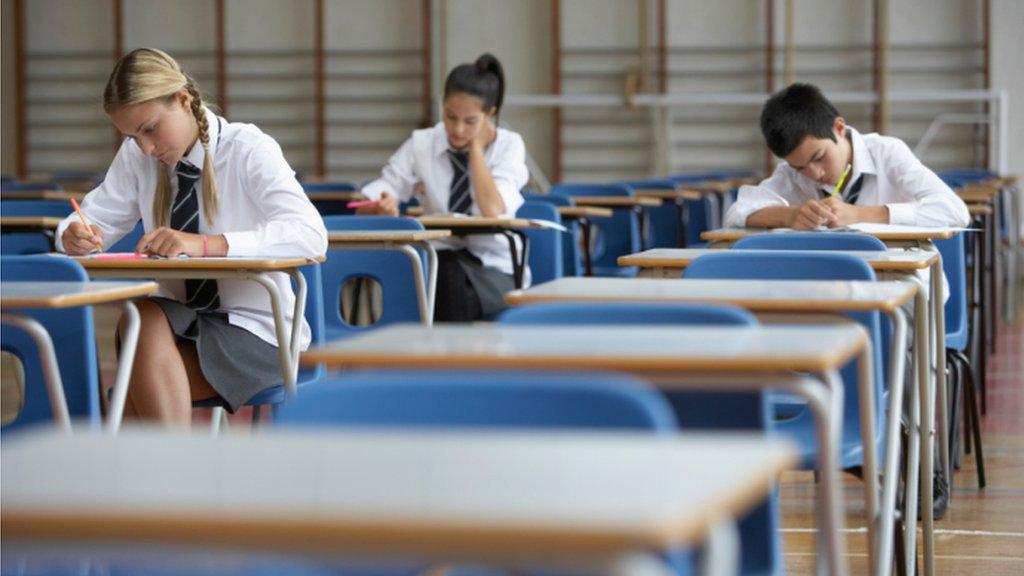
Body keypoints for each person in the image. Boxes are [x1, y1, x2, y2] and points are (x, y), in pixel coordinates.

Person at [56, 48, 327, 426]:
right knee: (142, 321)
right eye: (132, 136)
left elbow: (311, 235)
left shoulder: (247, 149)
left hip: (260, 335)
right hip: (179, 330)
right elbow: (91, 217)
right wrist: (73, 234)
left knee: (139, 353)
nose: (146, 148)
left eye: (150, 129)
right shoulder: (138, 157)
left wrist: (204, 245)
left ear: (183, 100)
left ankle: (160, 477)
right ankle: (173, 477)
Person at [356, 53, 529, 321]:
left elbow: (493, 210)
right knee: (433, 274)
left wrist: (476, 151)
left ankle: (444, 360)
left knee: (444, 280)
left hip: (495, 269)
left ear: (489, 115)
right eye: (450, 116)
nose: (457, 129)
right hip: (437, 260)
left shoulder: (509, 145)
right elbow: (380, 190)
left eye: (470, 121)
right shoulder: (423, 142)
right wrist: (380, 204)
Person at [725, 82, 969, 231]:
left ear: (839, 128)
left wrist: (862, 215)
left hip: (901, 287)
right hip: (828, 289)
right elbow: (737, 212)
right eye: (800, 168)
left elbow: (955, 212)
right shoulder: (791, 173)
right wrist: (790, 215)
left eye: (819, 157)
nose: (814, 174)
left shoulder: (887, 153)